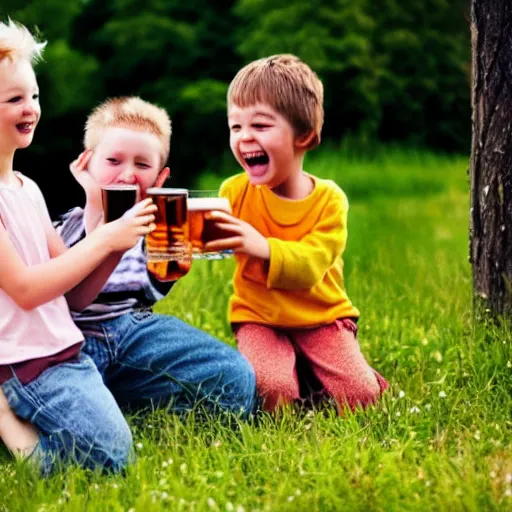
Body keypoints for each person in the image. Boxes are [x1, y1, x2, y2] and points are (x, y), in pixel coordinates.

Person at [0, 20, 157, 474]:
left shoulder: (28, 188)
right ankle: (10, 421)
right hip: (21, 362)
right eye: (14, 100)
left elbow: (71, 294)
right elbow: (27, 289)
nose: (30, 108)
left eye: (33, 96)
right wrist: (108, 236)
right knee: (110, 460)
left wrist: (110, 240)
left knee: (114, 451)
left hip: (63, 352)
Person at [205, 54, 389, 413]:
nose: (245, 138)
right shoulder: (233, 192)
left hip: (321, 317)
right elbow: (207, 243)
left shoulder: (329, 200)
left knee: (362, 398)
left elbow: (310, 267)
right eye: (235, 127)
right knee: (272, 393)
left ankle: (314, 372)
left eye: (260, 125)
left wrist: (261, 247)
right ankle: (295, 376)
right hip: (260, 319)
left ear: (303, 135)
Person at [55, 96, 256, 422]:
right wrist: (96, 209)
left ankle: (126, 400)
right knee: (64, 414)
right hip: (74, 341)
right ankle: (107, 404)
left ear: (159, 180)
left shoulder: (160, 232)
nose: (128, 174)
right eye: (114, 161)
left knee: (235, 378)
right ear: (86, 165)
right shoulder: (64, 226)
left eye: (142, 165)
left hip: (132, 331)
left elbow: (147, 288)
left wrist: (173, 266)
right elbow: (67, 292)